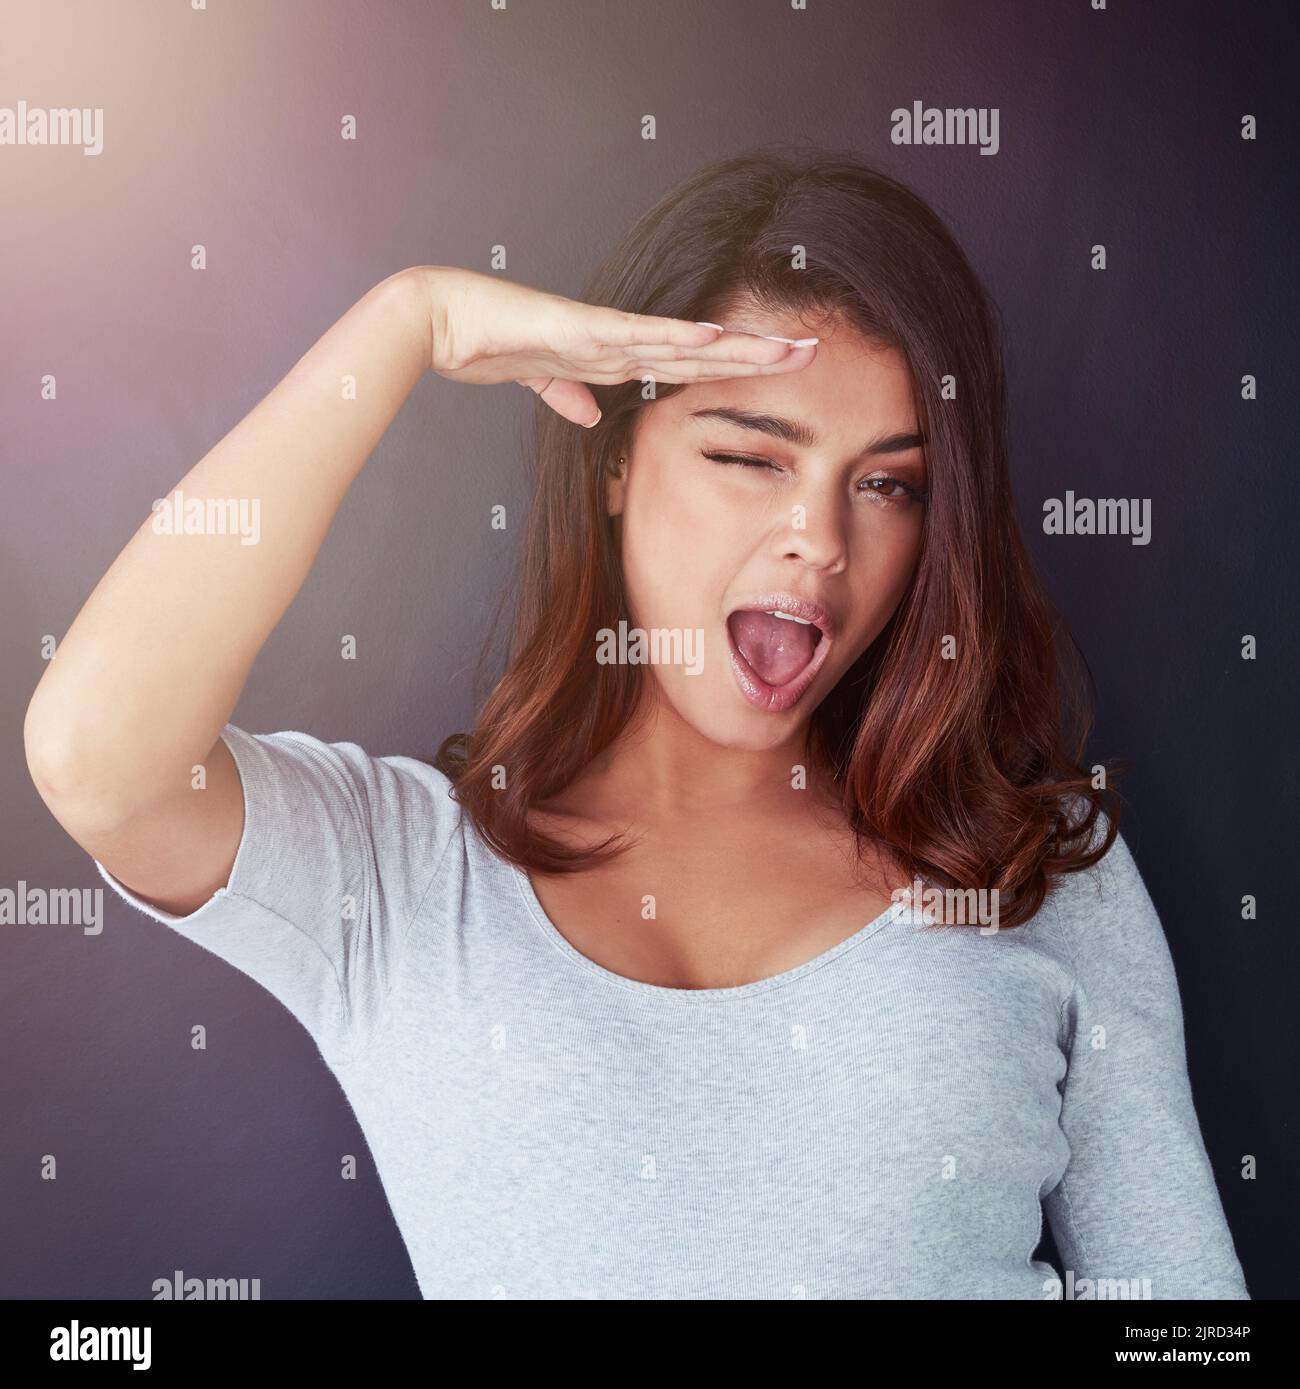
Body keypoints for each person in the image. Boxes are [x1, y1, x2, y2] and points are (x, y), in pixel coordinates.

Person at [24, 149, 1249, 1300]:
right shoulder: (403, 875)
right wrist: (406, 326)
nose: (819, 539)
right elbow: (99, 759)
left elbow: (1183, 1312)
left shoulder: (1033, 860)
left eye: (887, 483)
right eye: (749, 456)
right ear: (615, 461)